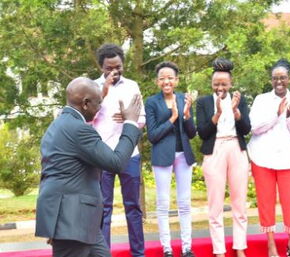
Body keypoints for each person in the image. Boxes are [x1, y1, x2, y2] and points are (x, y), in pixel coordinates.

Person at [35, 77, 142, 257]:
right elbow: (116, 162)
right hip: (73, 220)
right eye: (98, 103)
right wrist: (131, 123)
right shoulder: (78, 129)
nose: (100, 108)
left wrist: (56, 221)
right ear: (85, 103)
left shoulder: (58, 125)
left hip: (78, 221)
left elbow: (50, 175)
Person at [92, 43, 146, 257]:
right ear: (101, 67)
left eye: (118, 67)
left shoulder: (132, 86)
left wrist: (128, 119)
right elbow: (86, 121)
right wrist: (102, 95)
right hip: (102, 155)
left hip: (129, 155)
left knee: (133, 207)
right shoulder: (91, 87)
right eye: (109, 68)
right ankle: (102, 253)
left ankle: (138, 253)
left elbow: (141, 119)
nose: (114, 71)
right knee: (103, 209)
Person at [247, 59, 290, 257]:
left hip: (287, 158)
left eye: (282, 78)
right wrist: (277, 113)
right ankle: (271, 244)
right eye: (275, 78)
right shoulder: (260, 100)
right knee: (266, 201)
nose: (278, 81)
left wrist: (288, 115)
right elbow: (254, 127)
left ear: (288, 79)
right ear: (271, 80)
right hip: (261, 157)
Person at [196, 58, 251, 257]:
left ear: (231, 83)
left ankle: (240, 248)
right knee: (215, 203)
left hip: (236, 148)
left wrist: (236, 111)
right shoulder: (203, 102)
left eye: (224, 84)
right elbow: (202, 132)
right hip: (215, 149)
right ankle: (219, 250)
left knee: (239, 202)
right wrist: (217, 113)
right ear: (211, 84)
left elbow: (246, 129)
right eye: (216, 84)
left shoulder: (240, 99)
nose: (220, 88)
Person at [145, 61, 196, 257]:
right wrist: (173, 117)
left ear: (176, 80)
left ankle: (186, 247)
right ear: (157, 81)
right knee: (163, 203)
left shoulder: (184, 98)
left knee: (184, 203)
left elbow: (191, 133)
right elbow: (153, 135)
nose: (166, 81)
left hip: (184, 155)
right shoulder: (152, 102)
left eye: (170, 78)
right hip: (162, 156)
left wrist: (187, 114)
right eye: (162, 78)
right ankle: (167, 248)